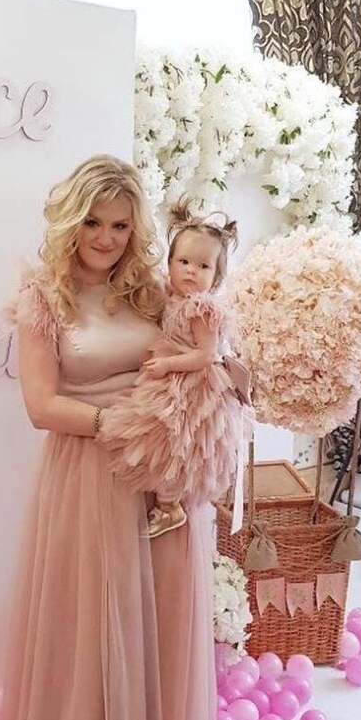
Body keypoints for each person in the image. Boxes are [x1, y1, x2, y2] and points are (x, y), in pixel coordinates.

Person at [0, 156, 216, 720]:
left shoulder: (147, 290)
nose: (107, 238)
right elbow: (40, 406)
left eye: (120, 225)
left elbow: (193, 350)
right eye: (93, 222)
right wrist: (118, 425)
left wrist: (195, 404)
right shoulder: (44, 299)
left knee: (159, 606)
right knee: (93, 613)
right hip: (88, 470)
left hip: (158, 471)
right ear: (70, 220)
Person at [98, 199, 248, 539]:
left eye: (203, 266)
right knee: (156, 439)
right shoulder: (174, 297)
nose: (191, 271)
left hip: (191, 385)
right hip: (174, 377)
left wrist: (167, 365)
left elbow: (206, 355)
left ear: (217, 276)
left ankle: (169, 506)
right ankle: (164, 502)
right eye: (184, 262)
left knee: (174, 443)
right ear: (170, 264)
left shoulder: (201, 308)